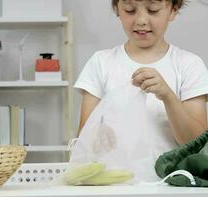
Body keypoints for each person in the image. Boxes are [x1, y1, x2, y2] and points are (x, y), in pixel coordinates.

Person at [74, 0, 208, 160]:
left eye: (153, 10)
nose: (141, 20)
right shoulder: (101, 62)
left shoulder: (189, 65)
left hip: (170, 181)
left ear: (173, 10)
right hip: (116, 181)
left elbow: (197, 146)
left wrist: (168, 97)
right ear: (118, 10)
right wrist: (96, 137)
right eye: (130, 11)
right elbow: (83, 141)